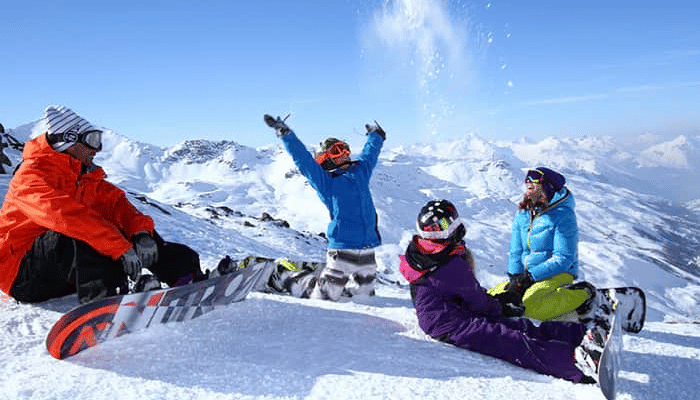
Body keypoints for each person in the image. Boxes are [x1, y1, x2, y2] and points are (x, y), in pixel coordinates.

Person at [0, 105, 207, 304]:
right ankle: (109, 302)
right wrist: (119, 248)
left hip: (62, 273)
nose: (97, 148)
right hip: (21, 275)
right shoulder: (31, 177)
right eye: (91, 140)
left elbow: (117, 205)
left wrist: (141, 234)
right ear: (68, 140)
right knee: (81, 234)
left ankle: (187, 277)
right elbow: (65, 217)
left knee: (128, 233)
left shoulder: (83, 176)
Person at [400, 199, 605, 383]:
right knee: (509, 340)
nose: (455, 225)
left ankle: (581, 334)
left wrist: (497, 307)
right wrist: (501, 307)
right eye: (449, 223)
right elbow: (476, 300)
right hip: (448, 325)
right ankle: (576, 361)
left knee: (520, 326)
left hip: (452, 312)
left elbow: (461, 294)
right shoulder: (449, 265)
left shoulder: (422, 252)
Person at [262, 114, 384, 301]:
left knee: (364, 296)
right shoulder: (326, 182)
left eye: (344, 149)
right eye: (336, 151)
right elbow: (304, 161)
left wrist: (376, 136)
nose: (344, 153)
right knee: (324, 297)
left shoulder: (360, 172)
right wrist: (286, 134)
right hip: (343, 248)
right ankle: (287, 274)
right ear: (326, 157)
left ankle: (334, 281)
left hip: (367, 248)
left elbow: (370, 155)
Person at [488, 167, 595, 321]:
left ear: (547, 189)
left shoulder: (564, 216)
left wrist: (531, 277)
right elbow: (517, 251)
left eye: (534, 188)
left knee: (529, 310)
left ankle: (584, 294)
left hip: (558, 273)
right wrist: (515, 279)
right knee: (493, 300)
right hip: (526, 276)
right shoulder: (523, 213)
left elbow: (564, 258)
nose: (528, 192)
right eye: (528, 188)